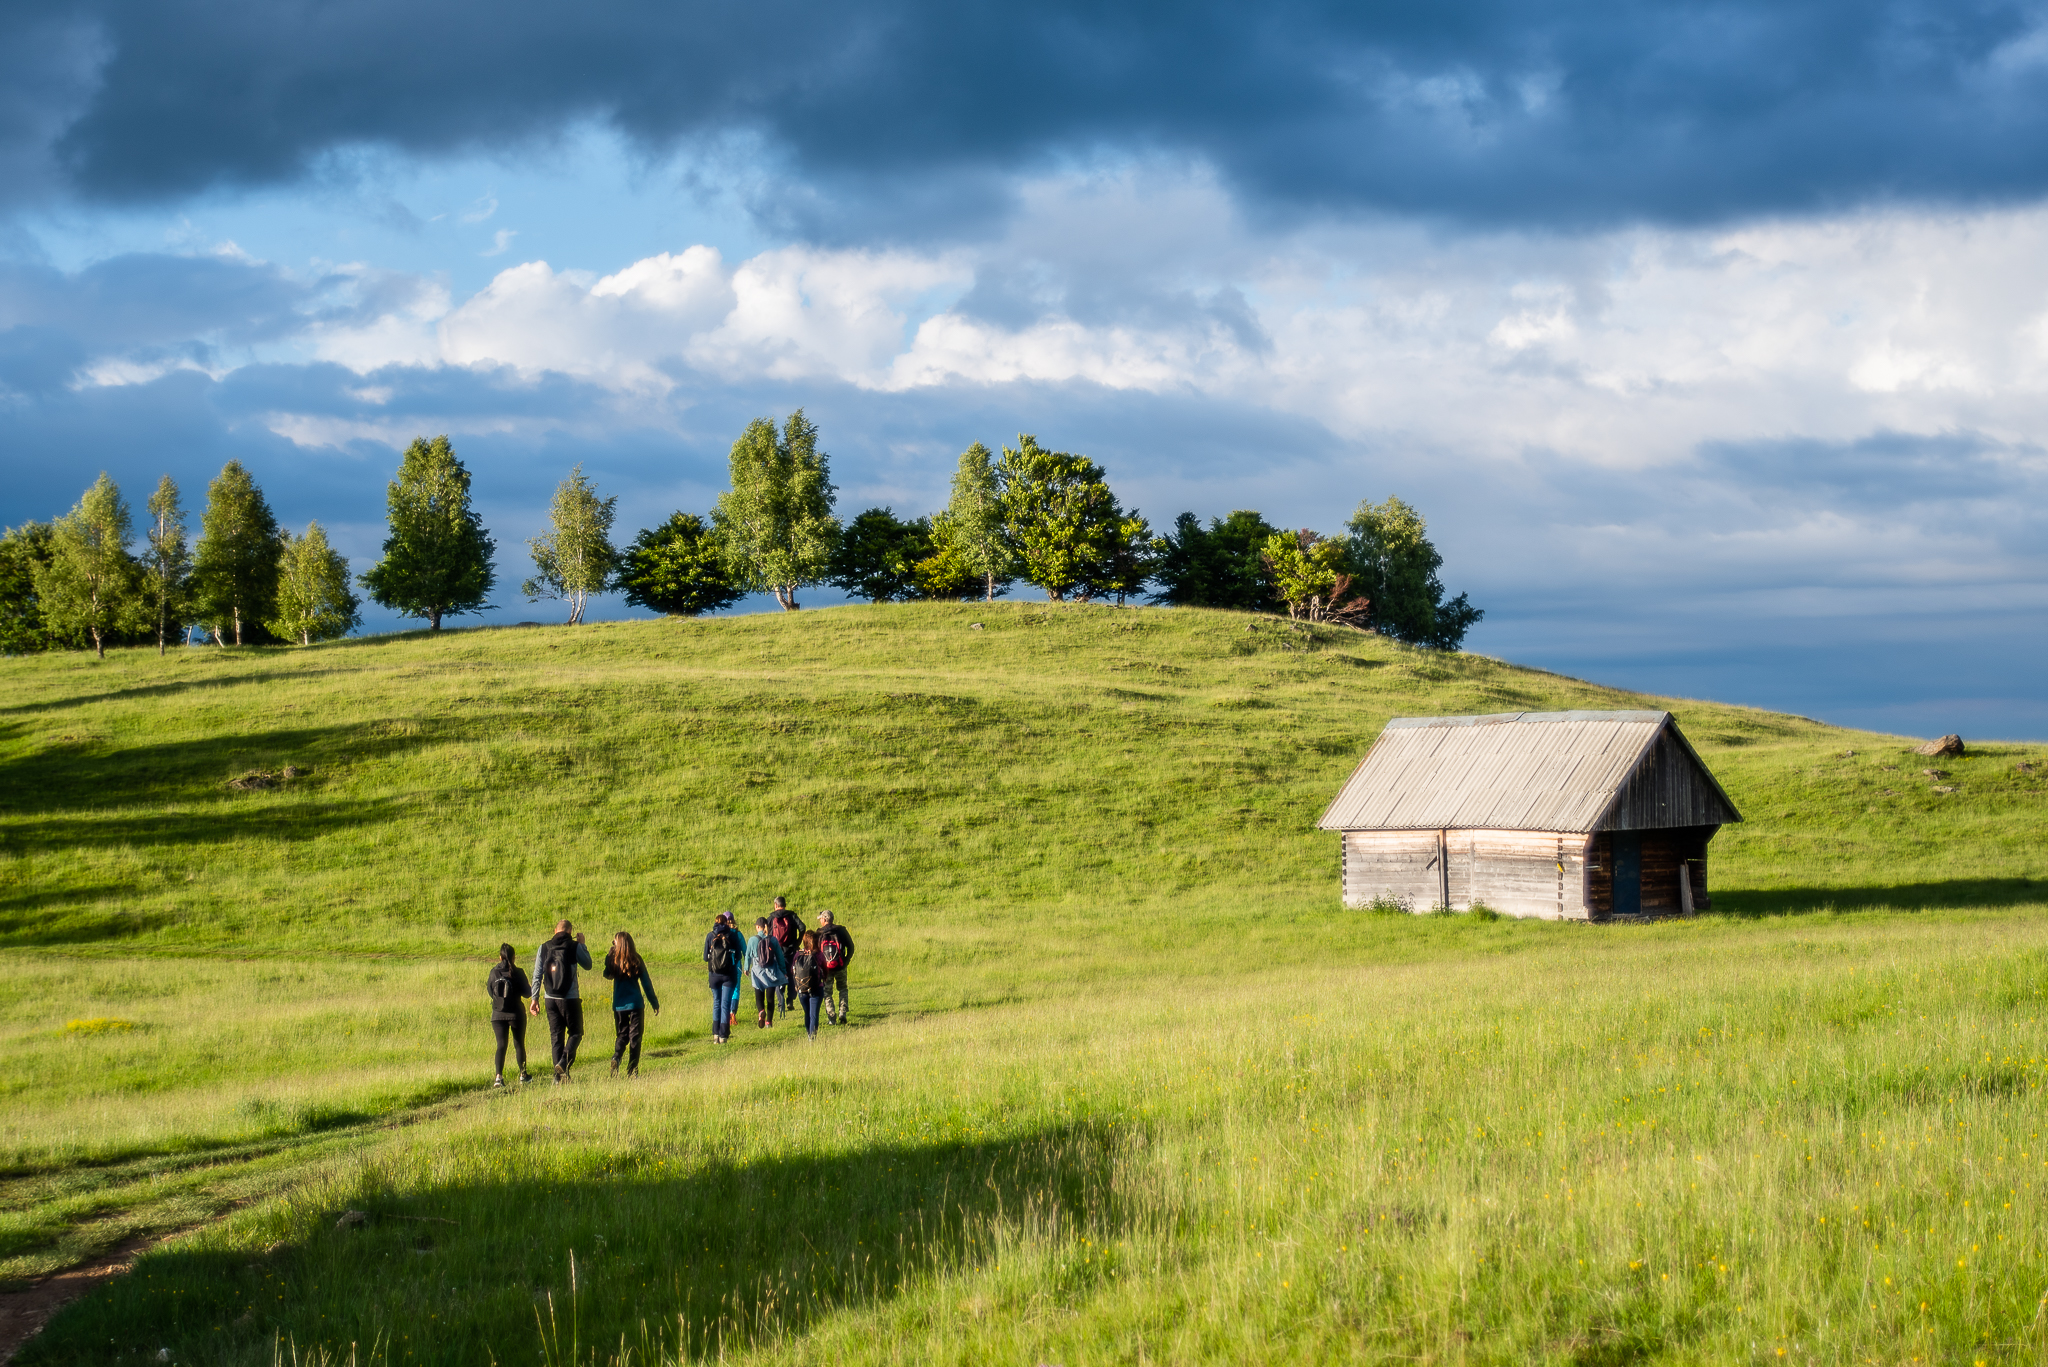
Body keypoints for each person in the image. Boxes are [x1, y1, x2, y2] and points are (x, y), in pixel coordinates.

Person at [528, 919, 592, 1082]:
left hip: (549, 998)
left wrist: (534, 998)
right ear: (570, 931)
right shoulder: (574, 946)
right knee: (576, 1033)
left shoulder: (543, 947)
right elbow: (588, 964)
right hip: (570, 998)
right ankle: (564, 1062)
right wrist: (582, 944)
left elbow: (537, 975)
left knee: (556, 1037)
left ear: (555, 930)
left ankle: (558, 1078)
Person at [602, 931, 660, 1077]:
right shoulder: (636, 959)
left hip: (619, 1005)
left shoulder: (613, 960)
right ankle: (632, 1070)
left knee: (622, 1035)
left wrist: (609, 957)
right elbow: (646, 982)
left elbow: (606, 975)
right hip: (635, 1004)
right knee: (635, 1037)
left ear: (618, 944)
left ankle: (616, 1057)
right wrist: (654, 1002)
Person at [485, 943, 532, 1087]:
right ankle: (523, 1074)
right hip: (516, 1013)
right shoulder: (518, 972)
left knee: (501, 1045)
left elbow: (490, 991)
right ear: (514, 957)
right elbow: (527, 993)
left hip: (498, 1014)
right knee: (519, 1044)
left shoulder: (494, 972)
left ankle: (498, 1076)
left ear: (500, 957)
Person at [703, 911, 745, 1044]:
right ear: (726, 923)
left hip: (714, 975)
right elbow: (738, 955)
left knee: (717, 1003)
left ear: (715, 923)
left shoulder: (710, 936)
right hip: (729, 975)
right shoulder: (732, 935)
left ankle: (715, 1035)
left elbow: (705, 957)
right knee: (725, 1005)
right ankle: (723, 1035)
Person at [744, 916, 788, 1029]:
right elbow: (780, 956)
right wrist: (783, 971)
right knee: (770, 998)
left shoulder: (752, 940)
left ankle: (761, 1011)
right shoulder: (773, 939)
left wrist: (746, 968)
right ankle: (769, 1022)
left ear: (758, 927)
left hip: (758, 972)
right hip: (771, 971)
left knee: (759, 996)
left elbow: (748, 955)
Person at [815, 909, 855, 1026]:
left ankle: (831, 1018)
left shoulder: (819, 933)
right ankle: (842, 1012)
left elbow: (816, 952)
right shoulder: (841, 931)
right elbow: (851, 947)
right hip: (840, 966)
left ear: (824, 919)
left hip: (826, 969)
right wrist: (846, 961)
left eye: (821, 919)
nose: (820, 921)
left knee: (827, 993)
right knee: (842, 989)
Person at [767, 896, 806, 1013]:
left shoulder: (771, 918)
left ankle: (780, 1003)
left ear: (775, 905)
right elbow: (803, 927)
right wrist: (797, 943)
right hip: (791, 950)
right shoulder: (792, 916)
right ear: (785, 904)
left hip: (776, 951)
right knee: (792, 975)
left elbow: (767, 934)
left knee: (779, 975)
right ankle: (790, 1000)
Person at [790, 930, 826, 1039]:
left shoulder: (797, 954)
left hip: (802, 989)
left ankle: (808, 1034)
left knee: (807, 1013)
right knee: (814, 1014)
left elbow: (793, 970)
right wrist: (825, 980)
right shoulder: (819, 955)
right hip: (816, 988)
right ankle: (812, 1037)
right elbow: (825, 969)